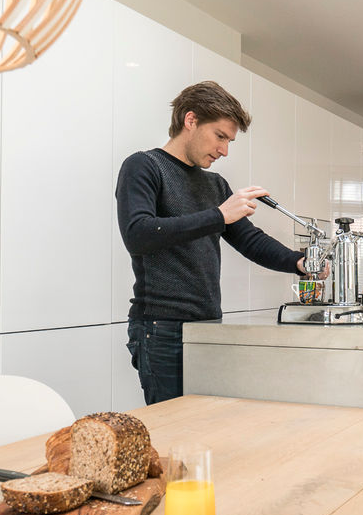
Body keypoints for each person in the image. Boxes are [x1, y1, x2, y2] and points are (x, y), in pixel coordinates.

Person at [116, 81, 318, 404]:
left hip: (208, 325)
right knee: (174, 433)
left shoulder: (215, 184)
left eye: (229, 141)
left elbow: (249, 239)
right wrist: (218, 216)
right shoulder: (144, 167)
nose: (224, 150)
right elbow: (138, 234)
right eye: (220, 136)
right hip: (161, 329)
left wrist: (298, 262)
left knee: (205, 429)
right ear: (191, 120)